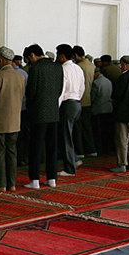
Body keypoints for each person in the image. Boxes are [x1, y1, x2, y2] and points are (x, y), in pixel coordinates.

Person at [0, 47, 24, 192]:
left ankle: (1, 184)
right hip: (15, 121)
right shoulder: (20, 76)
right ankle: (12, 184)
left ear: (1, 59)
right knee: (12, 152)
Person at [24, 44, 62, 187]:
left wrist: (31, 107)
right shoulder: (57, 66)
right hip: (53, 112)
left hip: (38, 113)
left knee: (36, 147)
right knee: (52, 147)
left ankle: (34, 180)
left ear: (33, 55)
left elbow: (31, 92)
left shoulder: (36, 68)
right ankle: (52, 178)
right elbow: (59, 89)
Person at [55, 44, 83, 176]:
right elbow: (82, 87)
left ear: (61, 55)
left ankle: (70, 168)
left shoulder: (62, 69)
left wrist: (57, 106)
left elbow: (61, 90)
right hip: (77, 103)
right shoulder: (78, 68)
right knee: (70, 134)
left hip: (67, 104)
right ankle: (74, 159)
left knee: (66, 136)